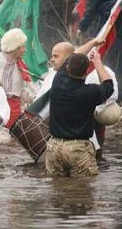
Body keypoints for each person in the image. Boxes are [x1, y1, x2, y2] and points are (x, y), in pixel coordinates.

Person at [44, 50, 114, 178]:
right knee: (83, 192)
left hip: (54, 146)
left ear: (67, 67)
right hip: (78, 148)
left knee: (56, 191)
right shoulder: (90, 92)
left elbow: (74, 53)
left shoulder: (58, 81)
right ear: (87, 72)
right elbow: (108, 85)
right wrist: (98, 62)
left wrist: (92, 43)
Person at [0, 28, 37, 129]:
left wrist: (36, 101)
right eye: (22, 47)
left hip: (14, 110)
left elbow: (26, 91)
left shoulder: (22, 66)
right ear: (15, 47)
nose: (25, 50)